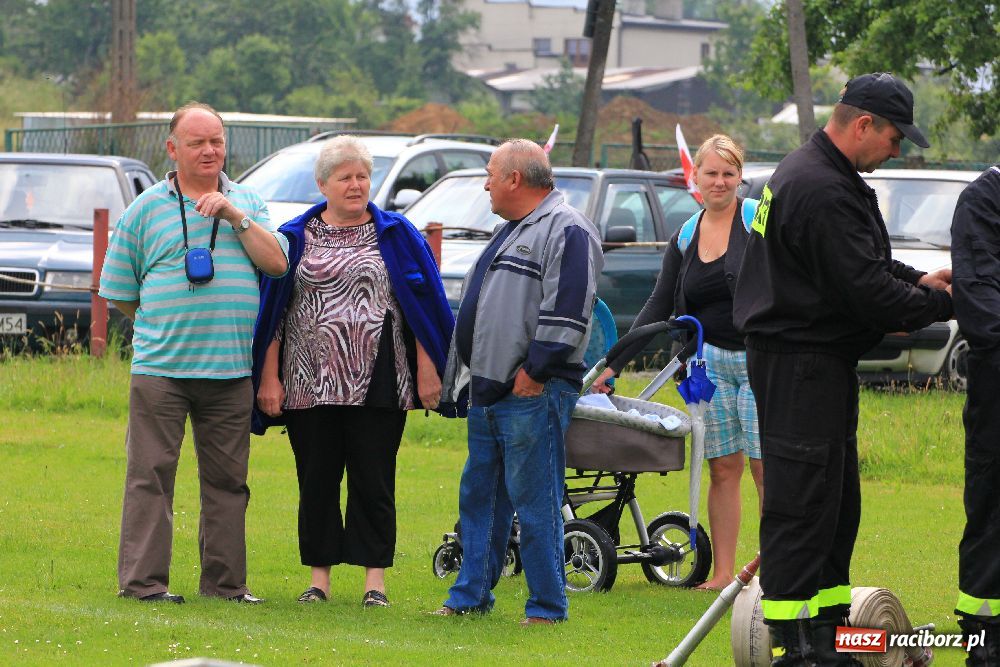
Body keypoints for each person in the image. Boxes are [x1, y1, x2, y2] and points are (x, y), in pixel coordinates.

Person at [731, 73, 953, 665]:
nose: (898, 149)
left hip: (812, 363)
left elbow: (864, 264)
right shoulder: (822, 187)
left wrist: (919, 281)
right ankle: (801, 649)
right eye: (895, 137)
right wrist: (950, 301)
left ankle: (829, 637)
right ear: (862, 125)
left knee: (832, 505)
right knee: (804, 506)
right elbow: (868, 294)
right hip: (800, 362)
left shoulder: (815, 172)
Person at [250, 136, 454, 608]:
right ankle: (318, 581)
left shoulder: (398, 234)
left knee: (374, 478)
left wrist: (429, 372)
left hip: (380, 378)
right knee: (316, 479)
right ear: (323, 184)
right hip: (306, 380)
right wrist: (268, 377)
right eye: (345, 177)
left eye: (362, 176)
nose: (356, 184)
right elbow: (273, 313)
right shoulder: (294, 236)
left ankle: (374, 583)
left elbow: (423, 307)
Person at [99, 102, 290, 604]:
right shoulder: (145, 209)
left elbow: (276, 265)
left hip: (230, 372)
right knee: (150, 479)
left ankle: (226, 587)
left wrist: (234, 216)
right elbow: (119, 291)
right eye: (198, 142)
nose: (210, 151)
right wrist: (164, 322)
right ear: (173, 149)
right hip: (161, 371)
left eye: (217, 142)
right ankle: (143, 586)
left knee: (229, 484)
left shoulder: (247, 200)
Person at [433, 139, 603, 624]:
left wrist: (534, 372)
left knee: (535, 501)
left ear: (514, 179)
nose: (485, 183)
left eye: (490, 173)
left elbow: (568, 312)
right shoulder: (513, 229)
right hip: (490, 391)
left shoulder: (566, 229)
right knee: (480, 496)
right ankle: (470, 596)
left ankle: (548, 606)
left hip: (532, 391)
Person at [594, 134, 763, 591]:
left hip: (762, 364)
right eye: (711, 173)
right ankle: (725, 575)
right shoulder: (685, 234)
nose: (720, 181)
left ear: (740, 178)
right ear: (695, 178)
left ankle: (779, 573)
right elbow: (657, 306)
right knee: (723, 468)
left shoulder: (757, 221)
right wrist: (612, 365)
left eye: (730, 173)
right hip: (707, 368)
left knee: (768, 470)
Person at [951, 166, 1000, 666]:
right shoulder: (985, 200)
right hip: (998, 382)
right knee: (992, 506)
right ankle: (985, 632)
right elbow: (980, 293)